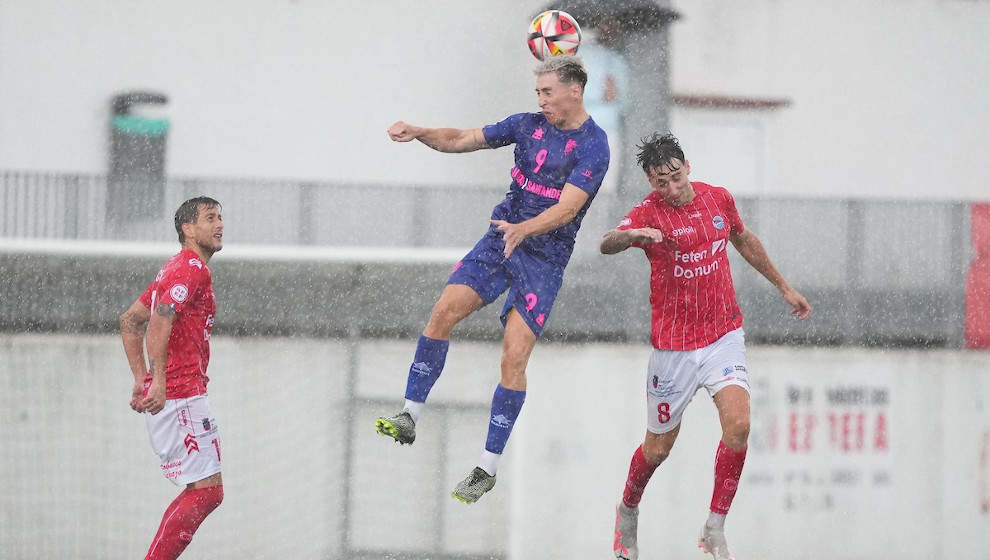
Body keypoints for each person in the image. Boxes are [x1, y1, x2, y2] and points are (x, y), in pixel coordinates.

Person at [376, 55, 610, 504]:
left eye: (547, 92)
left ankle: (487, 466)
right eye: (538, 92)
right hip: (499, 238)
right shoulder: (525, 125)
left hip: (543, 258)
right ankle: (409, 414)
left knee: (513, 356)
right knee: (443, 311)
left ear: (574, 91)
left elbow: (568, 209)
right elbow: (463, 138)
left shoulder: (594, 146)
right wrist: (421, 132)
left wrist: (526, 229)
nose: (539, 100)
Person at [601, 133, 811, 560]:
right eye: (662, 183)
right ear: (651, 181)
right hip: (673, 349)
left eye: (676, 177)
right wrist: (628, 237)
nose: (672, 189)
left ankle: (714, 525)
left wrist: (784, 287)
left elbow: (744, 239)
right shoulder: (648, 213)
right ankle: (627, 509)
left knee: (739, 425)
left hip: (722, 336)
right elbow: (607, 242)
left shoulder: (718, 199)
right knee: (657, 449)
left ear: (688, 166)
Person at [119, 197, 225, 560]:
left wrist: (141, 379)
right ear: (188, 229)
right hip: (181, 394)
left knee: (203, 491)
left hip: (179, 392)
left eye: (220, 217)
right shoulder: (191, 269)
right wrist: (158, 382)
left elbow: (130, 320)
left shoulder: (174, 269)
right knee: (207, 492)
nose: (220, 224)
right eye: (210, 218)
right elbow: (159, 322)